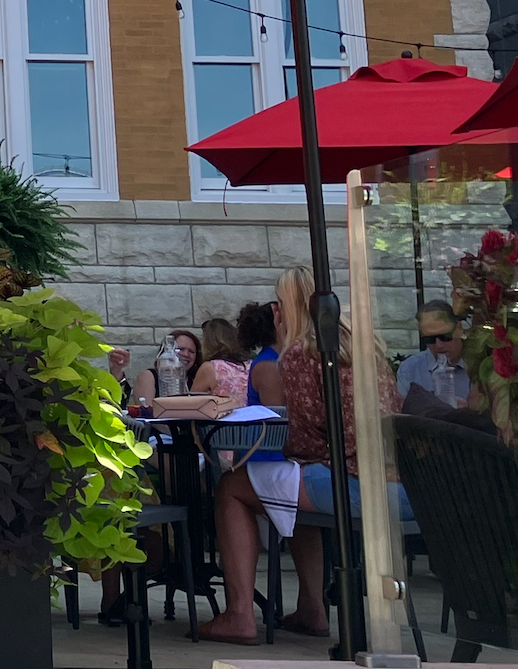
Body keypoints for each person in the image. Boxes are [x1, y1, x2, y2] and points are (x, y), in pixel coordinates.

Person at [200, 267, 402, 646]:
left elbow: (302, 441)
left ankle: (240, 614)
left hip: (351, 482)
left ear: (284, 309)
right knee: (291, 488)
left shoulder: (296, 355)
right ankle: (311, 607)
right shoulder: (363, 343)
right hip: (396, 482)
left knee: (231, 487)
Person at [394, 301, 470, 409]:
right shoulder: (410, 369)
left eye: (444, 337)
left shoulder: (479, 362)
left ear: (459, 328)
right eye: (429, 339)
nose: (439, 345)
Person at [190, 317, 249, 407]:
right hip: (251, 418)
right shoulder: (250, 365)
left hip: (224, 418)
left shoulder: (211, 368)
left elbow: (191, 405)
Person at [133, 328, 201, 403]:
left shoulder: (195, 380)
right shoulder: (149, 376)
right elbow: (145, 410)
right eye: (180, 349)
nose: (186, 354)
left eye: (191, 351)